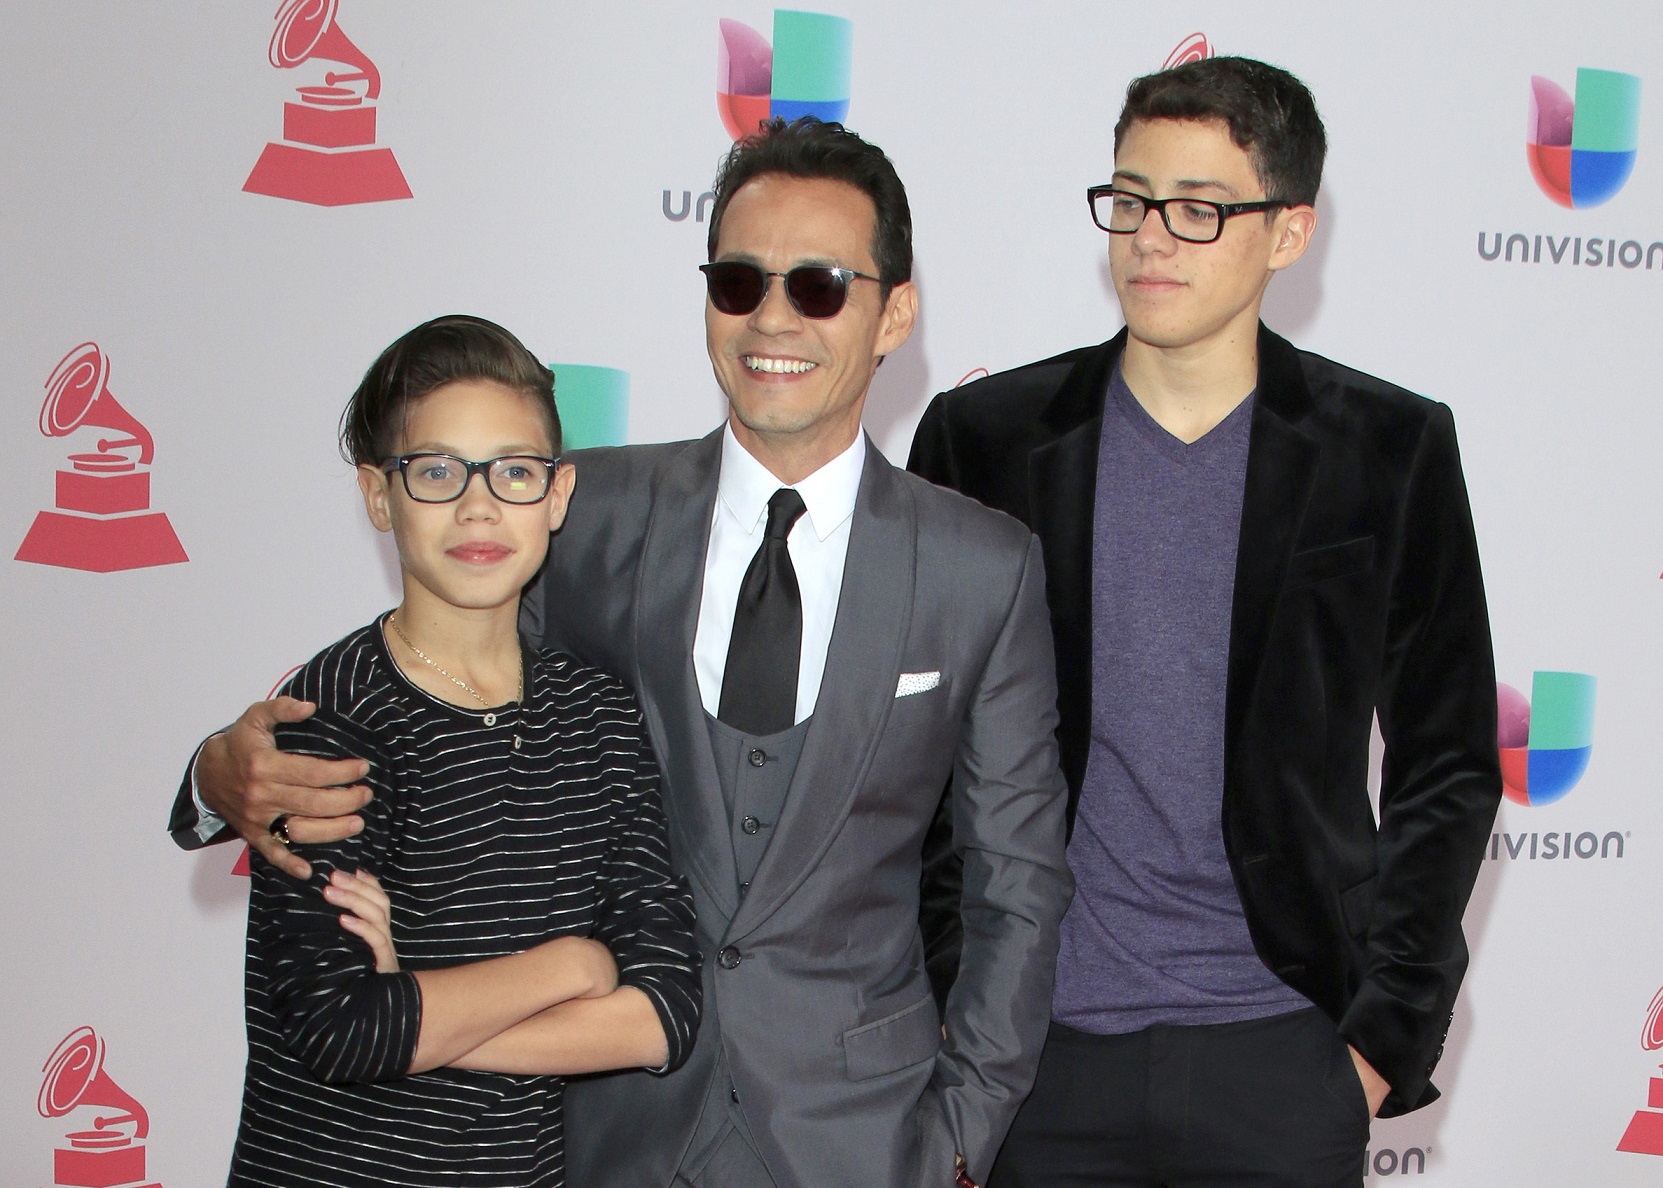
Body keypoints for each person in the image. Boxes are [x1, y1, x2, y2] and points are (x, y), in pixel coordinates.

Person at [170, 121, 1072, 1188]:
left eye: (818, 286)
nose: (771, 318)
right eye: (738, 281)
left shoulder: (980, 568)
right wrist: (213, 780)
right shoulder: (574, 508)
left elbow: (1016, 890)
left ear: (896, 314)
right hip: (594, 1134)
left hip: (860, 1139)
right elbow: (428, 691)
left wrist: (958, 1142)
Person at [908, 57, 1502, 1187]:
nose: (1150, 239)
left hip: (1283, 1054)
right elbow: (915, 746)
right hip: (1038, 1054)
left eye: (1197, 209)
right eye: (1131, 201)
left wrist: (1380, 1041)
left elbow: (1448, 762)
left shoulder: (1387, 450)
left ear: (1288, 234)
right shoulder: (984, 440)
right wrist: (952, 992)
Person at [213, 315, 700, 1187]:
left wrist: (424, 1005)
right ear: (378, 494)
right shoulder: (331, 714)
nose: (479, 506)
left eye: (514, 471)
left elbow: (663, 1012)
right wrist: (570, 966)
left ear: (557, 494)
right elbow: (341, 1029)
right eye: (437, 471)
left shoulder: (597, 715)